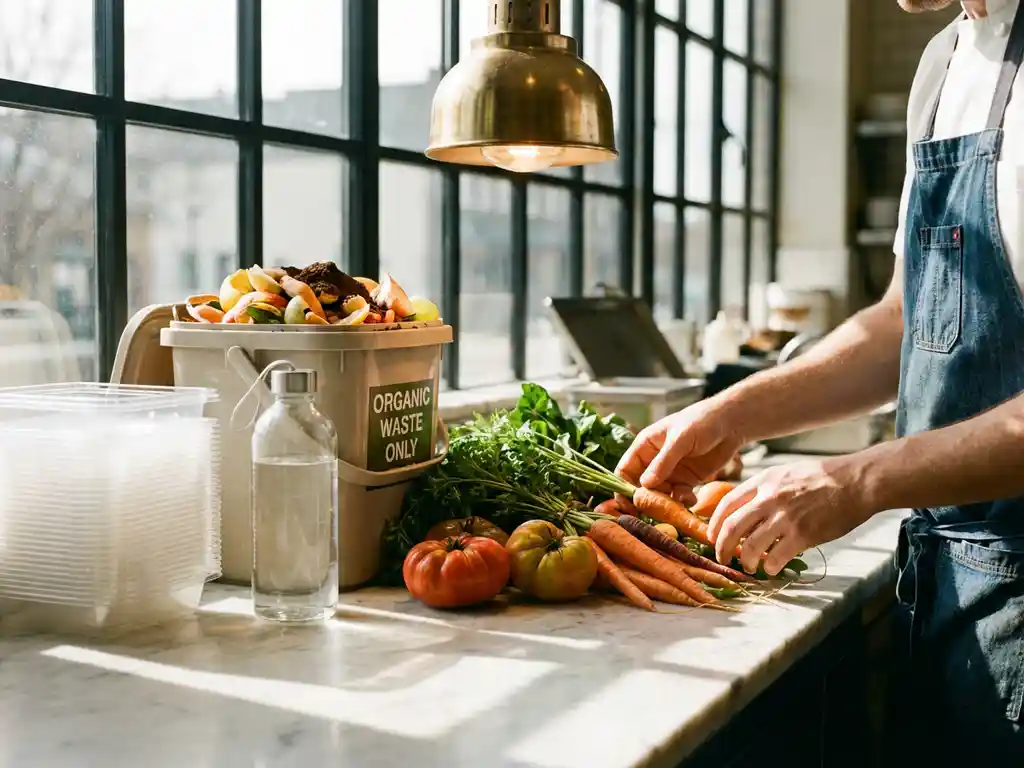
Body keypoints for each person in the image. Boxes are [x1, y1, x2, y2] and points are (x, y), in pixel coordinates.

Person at [615, 0, 1024, 760]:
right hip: (941, 584)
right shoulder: (941, 64)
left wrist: (856, 480)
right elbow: (907, 318)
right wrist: (736, 411)